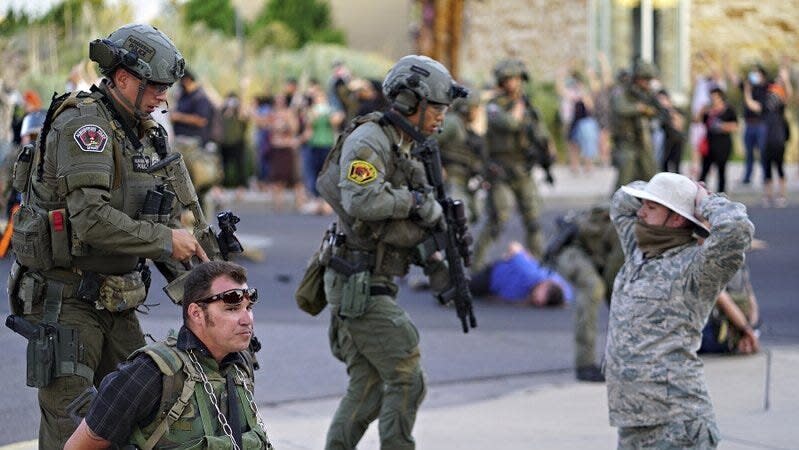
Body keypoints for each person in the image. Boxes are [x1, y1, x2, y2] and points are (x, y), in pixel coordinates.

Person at [7, 24, 208, 449]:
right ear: (123, 78)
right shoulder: (87, 127)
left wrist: (203, 284)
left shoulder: (142, 131)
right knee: (71, 426)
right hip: (67, 302)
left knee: (147, 410)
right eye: (155, 86)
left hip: (116, 300)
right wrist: (167, 240)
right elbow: (90, 220)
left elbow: (163, 212)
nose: (162, 97)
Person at [316, 54, 465, 450]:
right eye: (436, 108)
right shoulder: (371, 140)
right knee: (406, 376)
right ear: (409, 102)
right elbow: (362, 201)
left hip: (371, 279)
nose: (441, 118)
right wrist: (416, 204)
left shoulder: (403, 146)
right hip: (357, 281)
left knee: (366, 392)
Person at [606, 172, 754, 449]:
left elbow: (736, 229)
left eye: (651, 207)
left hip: (676, 423)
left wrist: (704, 200)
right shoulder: (639, 251)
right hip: (633, 420)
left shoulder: (697, 267)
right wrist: (666, 189)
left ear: (676, 219)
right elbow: (620, 202)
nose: (641, 212)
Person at [65, 261, 273, 449]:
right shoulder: (150, 373)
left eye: (248, 308)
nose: (247, 319)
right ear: (196, 313)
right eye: (232, 309)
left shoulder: (239, 365)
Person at [473, 58, 555, 267]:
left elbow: (541, 134)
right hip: (500, 170)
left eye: (517, 79)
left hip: (523, 169)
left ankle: (537, 265)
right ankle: (475, 265)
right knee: (497, 219)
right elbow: (509, 123)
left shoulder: (528, 107)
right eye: (509, 79)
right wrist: (517, 113)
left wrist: (547, 152)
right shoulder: (493, 106)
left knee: (534, 220)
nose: (513, 83)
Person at [544, 205, 624, 382]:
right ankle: (585, 364)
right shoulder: (627, 227)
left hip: (598, 255)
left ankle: (619, 361)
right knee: (593, 288)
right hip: (573, 251)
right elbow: (613, 279)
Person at [470, 241, 572, 307]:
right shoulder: (529, 272)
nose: (537, 301)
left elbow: (565, 295)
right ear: (545, 284)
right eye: (537, 298)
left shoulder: (563, 292)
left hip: (502, 293)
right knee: (466, 289)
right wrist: (512, 255)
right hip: (493, 278)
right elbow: (515, 246)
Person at [434, 92, 484, 223]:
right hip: (450, 181)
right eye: (475, 108)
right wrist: (438, 166)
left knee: (470, 217)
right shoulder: (453, 122)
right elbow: (429, 142)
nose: (478, 112)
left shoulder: (465, 128)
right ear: (465, 108)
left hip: (463, 182)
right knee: (457, 221)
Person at [610, 60, 659, 190]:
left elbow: (656, 110)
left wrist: (651, 110)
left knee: (650, 173)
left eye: (649, 80)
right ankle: (617, 205)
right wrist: (639, 108)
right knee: (626, 175)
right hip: (626, 141)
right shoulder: (622, 90)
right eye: (644, 79)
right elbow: (620, 107)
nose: (647, 83)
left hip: (643, 140)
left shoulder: (646, 93)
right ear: (636, 78)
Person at [700, 265, 761, 355]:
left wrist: (748, 331)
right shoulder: (737, 262)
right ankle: (738, 342)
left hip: (730, 327)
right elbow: (722, 298)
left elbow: (749, 298)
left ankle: (739, 341)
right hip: (724, 328)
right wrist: (749, 330)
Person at [698, 87, 738, 193]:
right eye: (711, 97)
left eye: (715, 97)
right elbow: (697, 121)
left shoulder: (728, 110)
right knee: (704, 171)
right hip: (709, 144)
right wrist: (701, 111)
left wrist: (722, 126)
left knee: (721, 170)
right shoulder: (708, 111)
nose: (713, 100)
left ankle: (721, 194)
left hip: (723, 144)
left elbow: (735, 126)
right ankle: (700, 193)